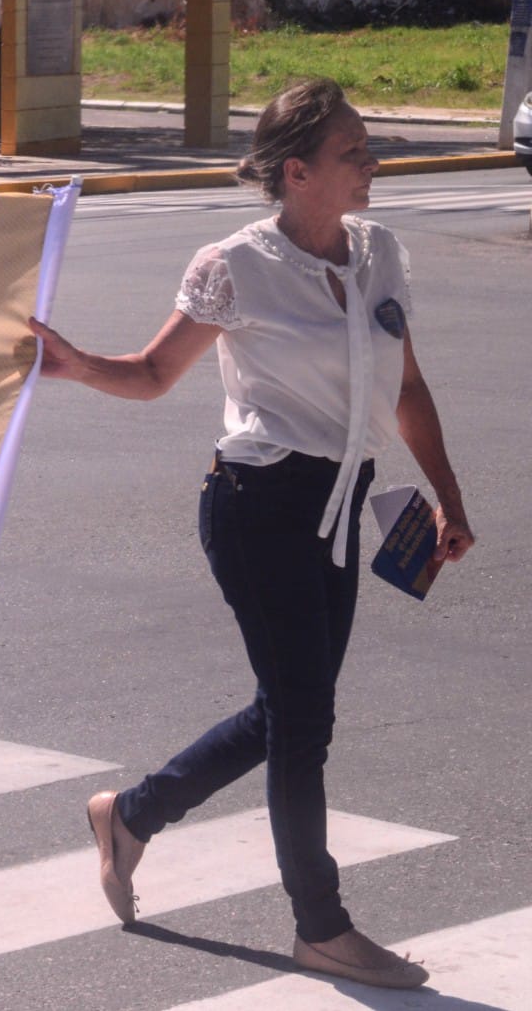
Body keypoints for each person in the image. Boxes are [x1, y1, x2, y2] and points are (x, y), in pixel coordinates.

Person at [29, 78, 472, 989]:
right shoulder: (237, 264)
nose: (373, 163)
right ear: (299, 171)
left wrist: (448, 495)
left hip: (344, 507)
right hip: (257, 507)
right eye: (355, 152)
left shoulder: (379, 252)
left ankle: (131, 815)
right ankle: (322, 926)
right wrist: (73, 363)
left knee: (286, 710)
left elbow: (408, 385)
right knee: (305, 718)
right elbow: (153, 375)